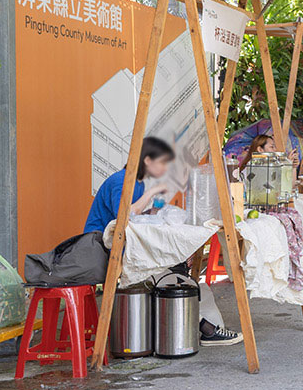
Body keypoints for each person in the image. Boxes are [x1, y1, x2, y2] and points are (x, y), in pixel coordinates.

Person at [85, 137, 241, 346]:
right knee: (171, 279)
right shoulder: (121, 180)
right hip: (100, 248)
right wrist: (151, 193)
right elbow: (124, 217)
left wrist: (154, 210)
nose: (165, 168)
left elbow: (135, 216)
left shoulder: (136, 183)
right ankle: (207, 328)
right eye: (162, 162)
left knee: (179, 276)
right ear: (148, 160)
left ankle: (208, 327)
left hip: (119, 246)